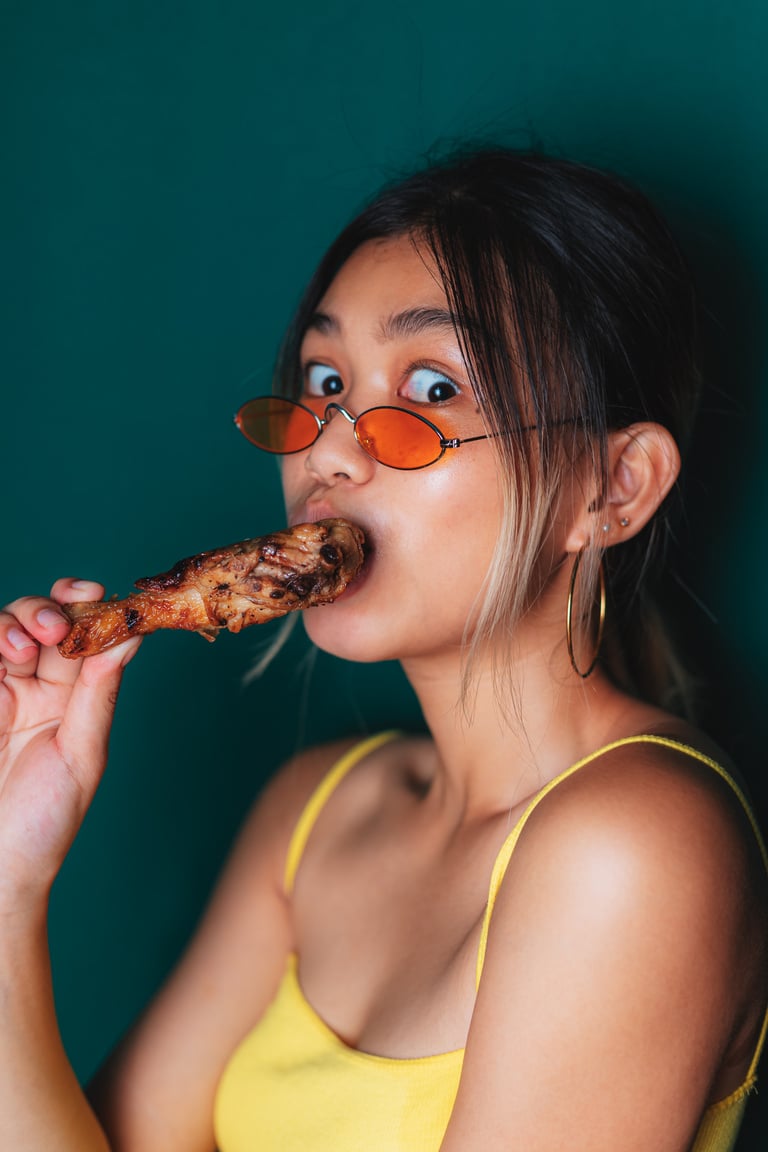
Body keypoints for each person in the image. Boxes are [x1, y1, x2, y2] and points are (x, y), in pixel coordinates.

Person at [1, 147, 766, 1152]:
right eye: (324, 380)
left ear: (612, 488)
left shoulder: (633, 848)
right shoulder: (314, 814)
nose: (327, 448)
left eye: (432, 387)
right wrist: (8, 880)